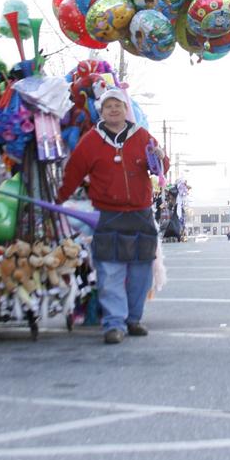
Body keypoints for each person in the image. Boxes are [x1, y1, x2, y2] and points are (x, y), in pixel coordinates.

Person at [56, 88, 168, 344]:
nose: (114, 109)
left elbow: (161, 166)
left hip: (140, 214)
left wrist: (162, 158)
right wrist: (60, 198)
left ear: (125, 108)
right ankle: (114, 324)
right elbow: (73, 171)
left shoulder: (141, 135)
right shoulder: (91, 140)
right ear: (101, 111)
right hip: (108, 215)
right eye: (108, 106)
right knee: (111, 271)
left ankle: (133, 319)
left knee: (141, 271)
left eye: (118, 105)